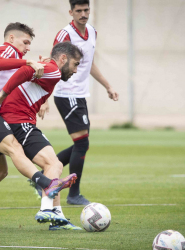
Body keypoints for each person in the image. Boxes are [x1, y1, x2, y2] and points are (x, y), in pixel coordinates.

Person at [0, 23, 77, 231]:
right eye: (25, 42)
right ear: (11, 38)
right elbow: (1, 64)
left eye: (29, 44)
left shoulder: (17, 61)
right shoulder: (5, 50)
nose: (27, 47)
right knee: (15, 148)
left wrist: (37, 71)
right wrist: (29, 61)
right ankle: (46, 184)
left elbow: (28, 77)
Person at [0, 41, 84, 230]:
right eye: (75, 64)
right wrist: (2, 95)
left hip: (16, 120)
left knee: (54, 164)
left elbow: (30, 78)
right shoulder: (53, 70)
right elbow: (25, 71)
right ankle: (46, 209)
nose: (76, 70)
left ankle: (57, 218)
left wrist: (43, 101)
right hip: (20, 121)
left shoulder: (49, 69)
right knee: (53, 164)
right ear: (63, 58)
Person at [31, 0, 119, 205]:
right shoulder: (65, 35)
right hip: (65, 92)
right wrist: (44, 98)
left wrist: (108, 86)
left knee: (82, 144)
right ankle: (73, 194)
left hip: (80, 94)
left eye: (86, 10)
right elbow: (52, 64)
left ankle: (44, 177)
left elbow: (90, 64)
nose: (83, 14)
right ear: (71, 12)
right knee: (82, 142)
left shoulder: (92, 32)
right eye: (78, 10)